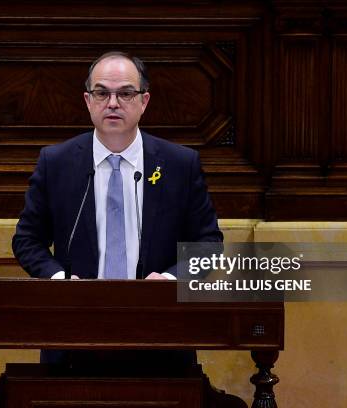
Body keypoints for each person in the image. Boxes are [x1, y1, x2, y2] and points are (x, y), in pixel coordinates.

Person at [12, 51, 222, 367]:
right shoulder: (56, 163)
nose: (113, 103)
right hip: (74, 336)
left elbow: (208, 245)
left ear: (144, 101)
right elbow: (27, 240)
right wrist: (60, 281)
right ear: (88, 100)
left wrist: (168, 281)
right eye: (102, 93)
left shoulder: (180, 164)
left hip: (162, 336)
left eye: (125, 93)